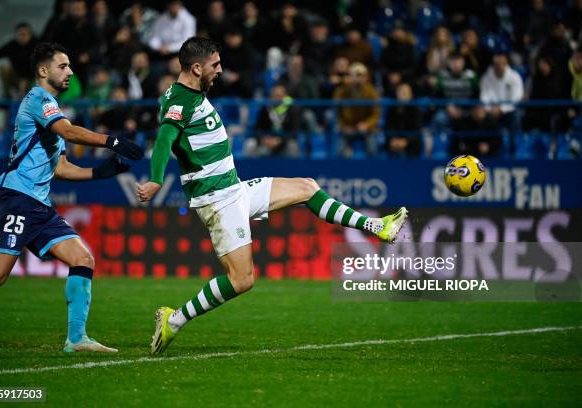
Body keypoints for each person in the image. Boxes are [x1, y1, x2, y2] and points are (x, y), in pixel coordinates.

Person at [136, 37, 408, 355]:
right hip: (217, 199)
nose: (220, 70)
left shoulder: (186, 94)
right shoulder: (181, 102)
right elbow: (165, 138)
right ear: (196, 68)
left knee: (307, 187)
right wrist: (156, 179)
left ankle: (379, 227)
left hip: (233, 189)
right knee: (242, 279)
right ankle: (175, 320)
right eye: (215, 65)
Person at [0, 43, 144, 352]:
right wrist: (111, 140)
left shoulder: (51, 108)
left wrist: (98, 173)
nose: (70, 71)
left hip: (40, 206)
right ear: (43, 70)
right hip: (18, 200)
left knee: (83, 259)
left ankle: (76, 339)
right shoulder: (39, 99)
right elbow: (69, 132)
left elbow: (60, 167)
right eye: (63, 66)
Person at [0, 22, 38, 99]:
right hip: (17, 76)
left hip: (32, 77)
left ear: (30, 35)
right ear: (16, 35)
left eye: (24, 34)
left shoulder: (37, 45)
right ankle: (7, 95)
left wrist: (26, 78)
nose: (22, 37)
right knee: (4, 67)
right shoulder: (12, 45)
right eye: (20, 34)